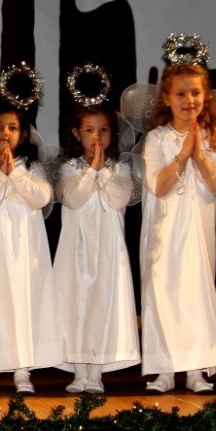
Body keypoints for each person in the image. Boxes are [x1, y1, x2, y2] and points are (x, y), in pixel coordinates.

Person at [139, 62, 216, 394]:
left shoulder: (215, 138)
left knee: (195, 293)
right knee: (162, 294)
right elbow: (157, 186)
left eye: (195, 93)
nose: (188, 100)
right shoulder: (156, 139)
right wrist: (182, 155)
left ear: (205, 96)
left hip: (197, 230)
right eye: (180, 94)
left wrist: (200, 156)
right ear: (167, 98)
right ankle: (164, 370)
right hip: (164, 232)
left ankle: (196, 370)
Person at [0, 100, 60, 395]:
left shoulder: (32, 168)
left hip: (25, 251)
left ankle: (22, 369)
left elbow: (42, 197)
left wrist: (15, 174)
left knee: (23, 303)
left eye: (12, 127)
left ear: (23, 135)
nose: (5, 133)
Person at [52, 103, 140, 394]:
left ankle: (97, 372)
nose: (97, 137)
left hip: (109, 252)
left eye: (103, 130)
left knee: (104, 305)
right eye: (89, 130)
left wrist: (104, 172)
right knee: (76, 306)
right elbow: (73, 198)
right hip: (76, 250)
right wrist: (91, 171)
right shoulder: (70, 168)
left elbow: (120, 198)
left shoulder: (120, 168)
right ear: (77, 133)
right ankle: (79, 371)